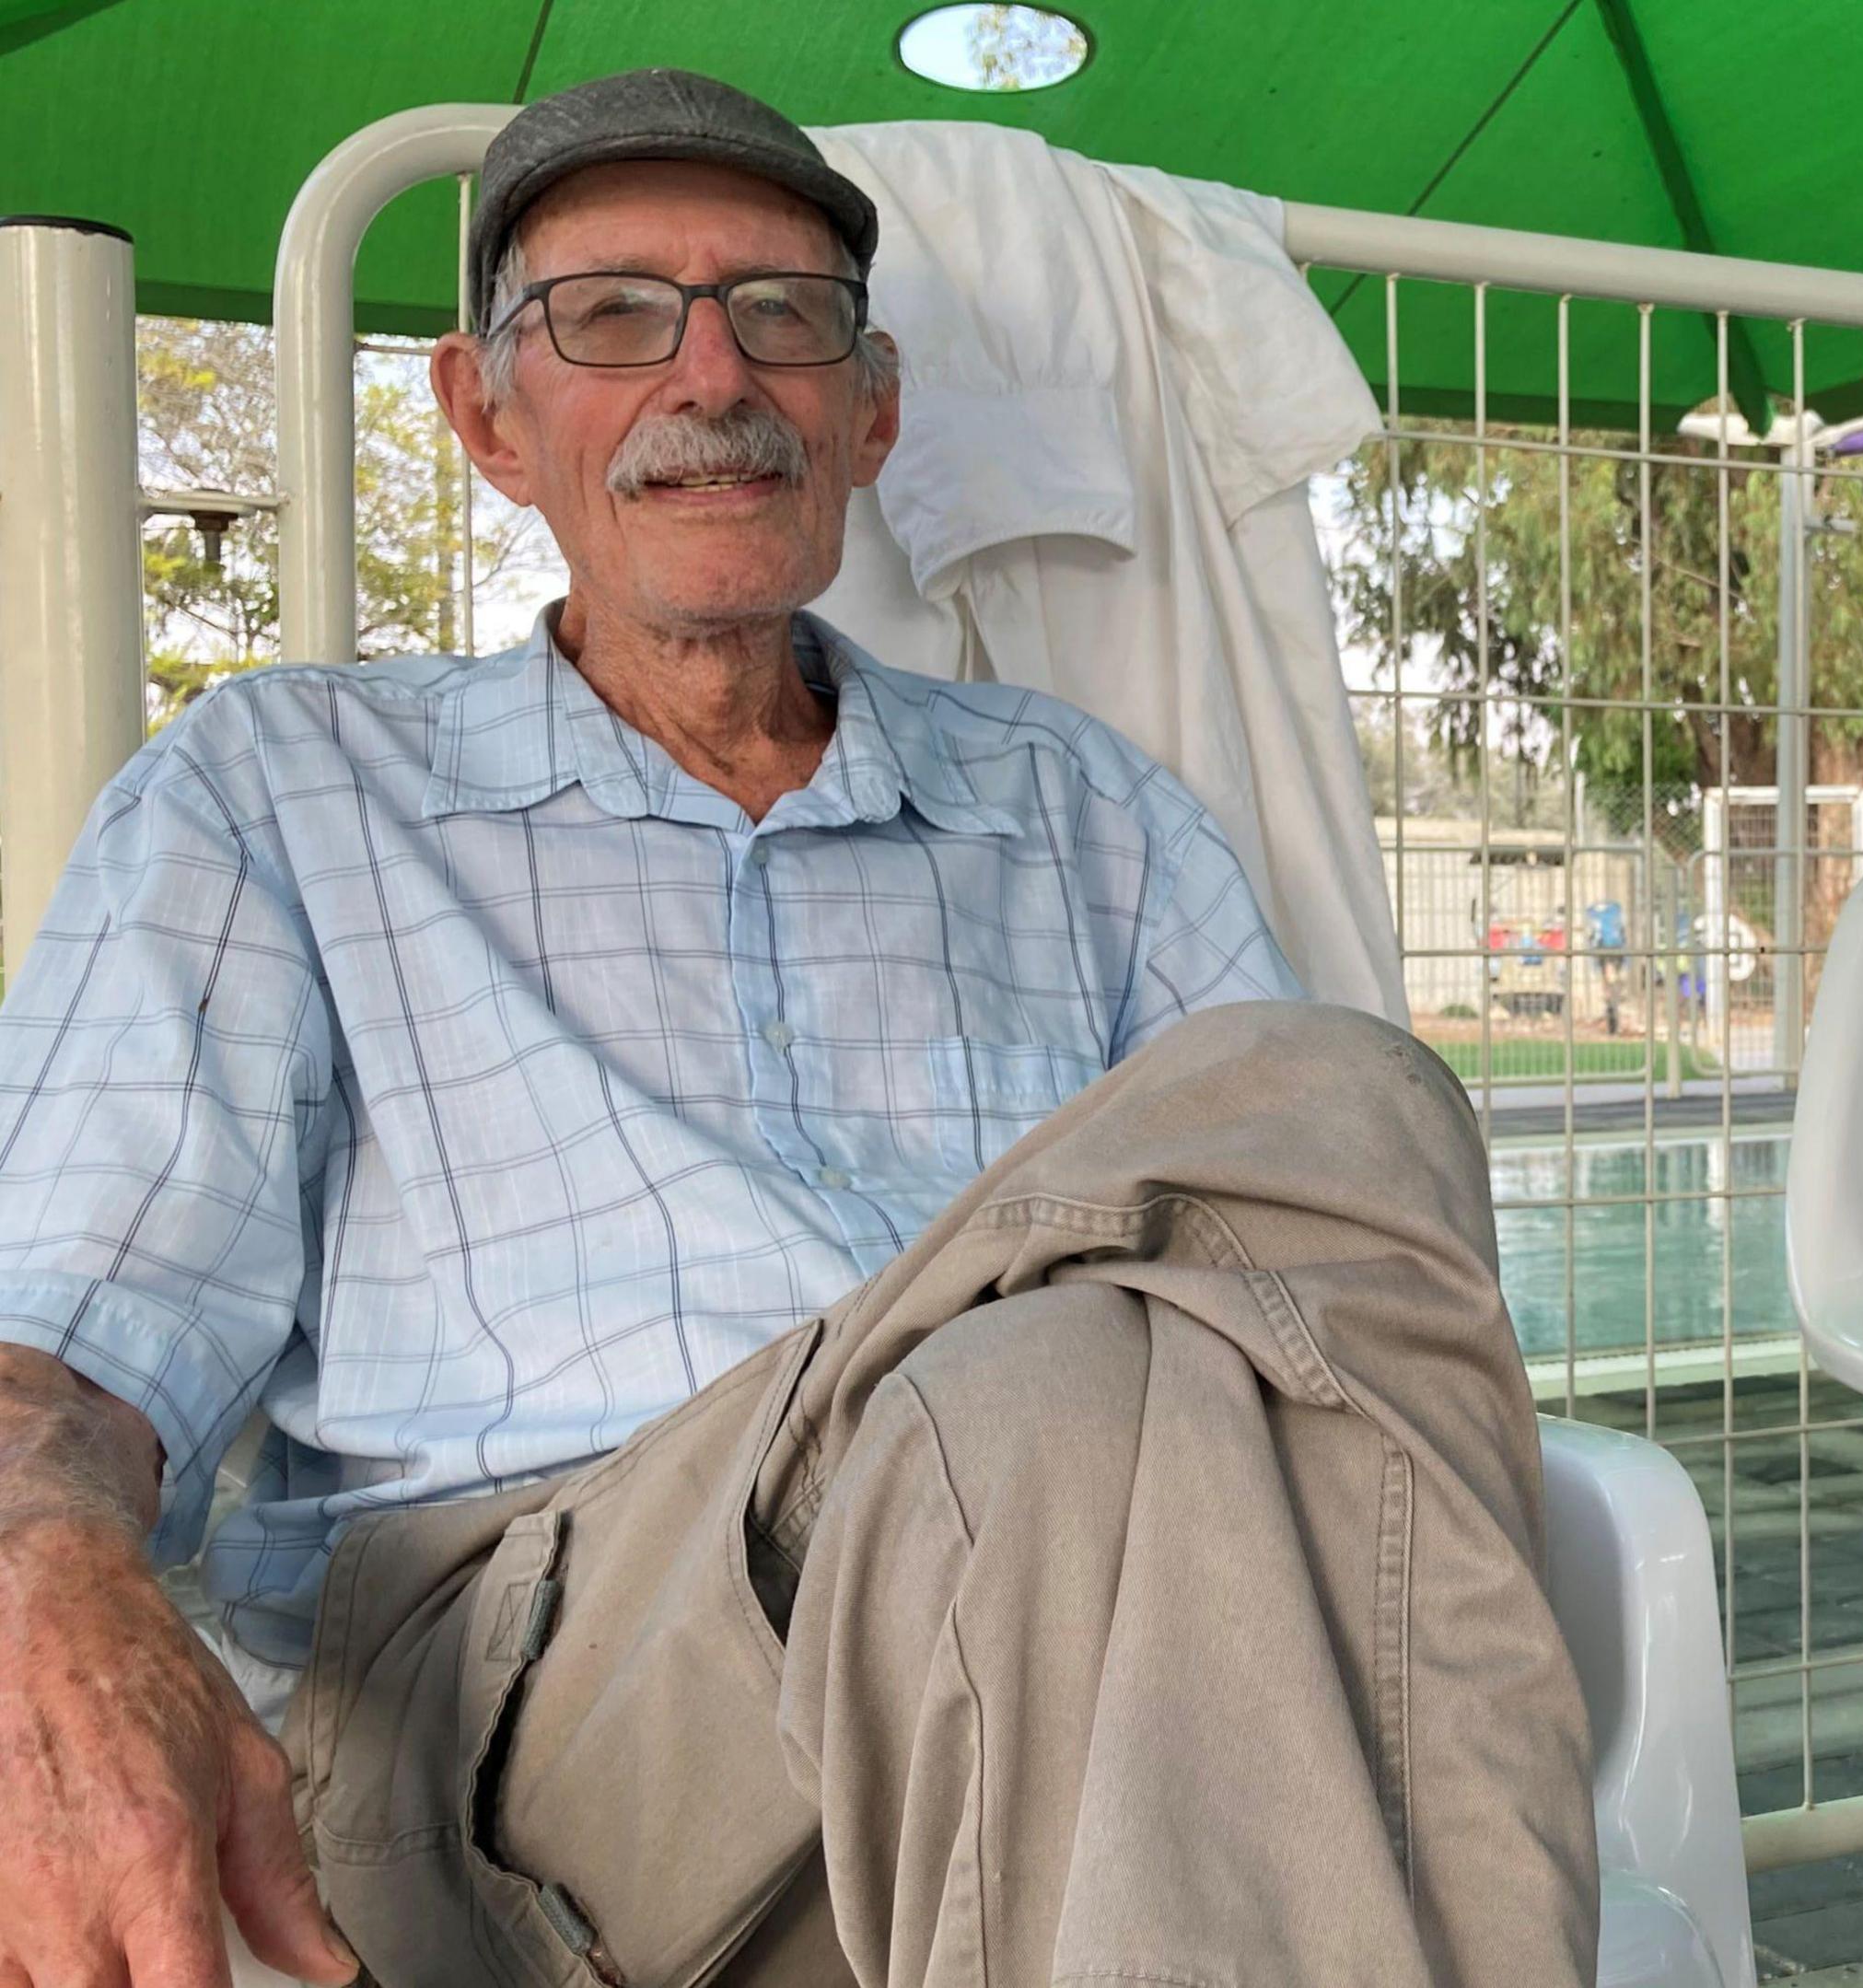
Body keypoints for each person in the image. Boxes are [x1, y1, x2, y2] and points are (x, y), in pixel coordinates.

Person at [0, 69, 1592, 1988]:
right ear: (486, 419)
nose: (711, 377)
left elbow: (1321, 1279)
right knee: (1075, 1379)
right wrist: (43, 1577)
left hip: (1057, 1590)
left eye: (782, 315)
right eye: (610, 316)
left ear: (872, 411)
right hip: (526, 1693)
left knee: (1338, 1109)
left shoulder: (1084, 814)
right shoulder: (282, 790)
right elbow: (61, 1343)